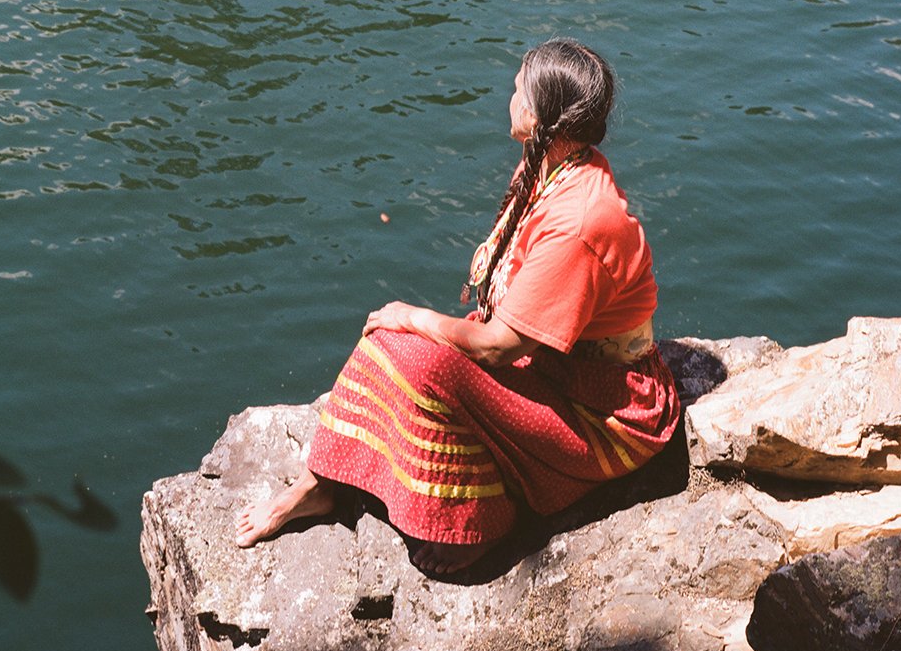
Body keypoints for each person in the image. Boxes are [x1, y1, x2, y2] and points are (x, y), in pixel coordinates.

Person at [234, 38, 680, 573]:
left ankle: (474, 526)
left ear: (545, 119)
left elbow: (498, 347)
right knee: (390, 348)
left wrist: (416, 317)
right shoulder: (549, 164)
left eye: (521, 87)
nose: (511, 91)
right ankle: (320, 485)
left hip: (600, 409)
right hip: (551, 368)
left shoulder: (579, 221)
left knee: (419, 356)